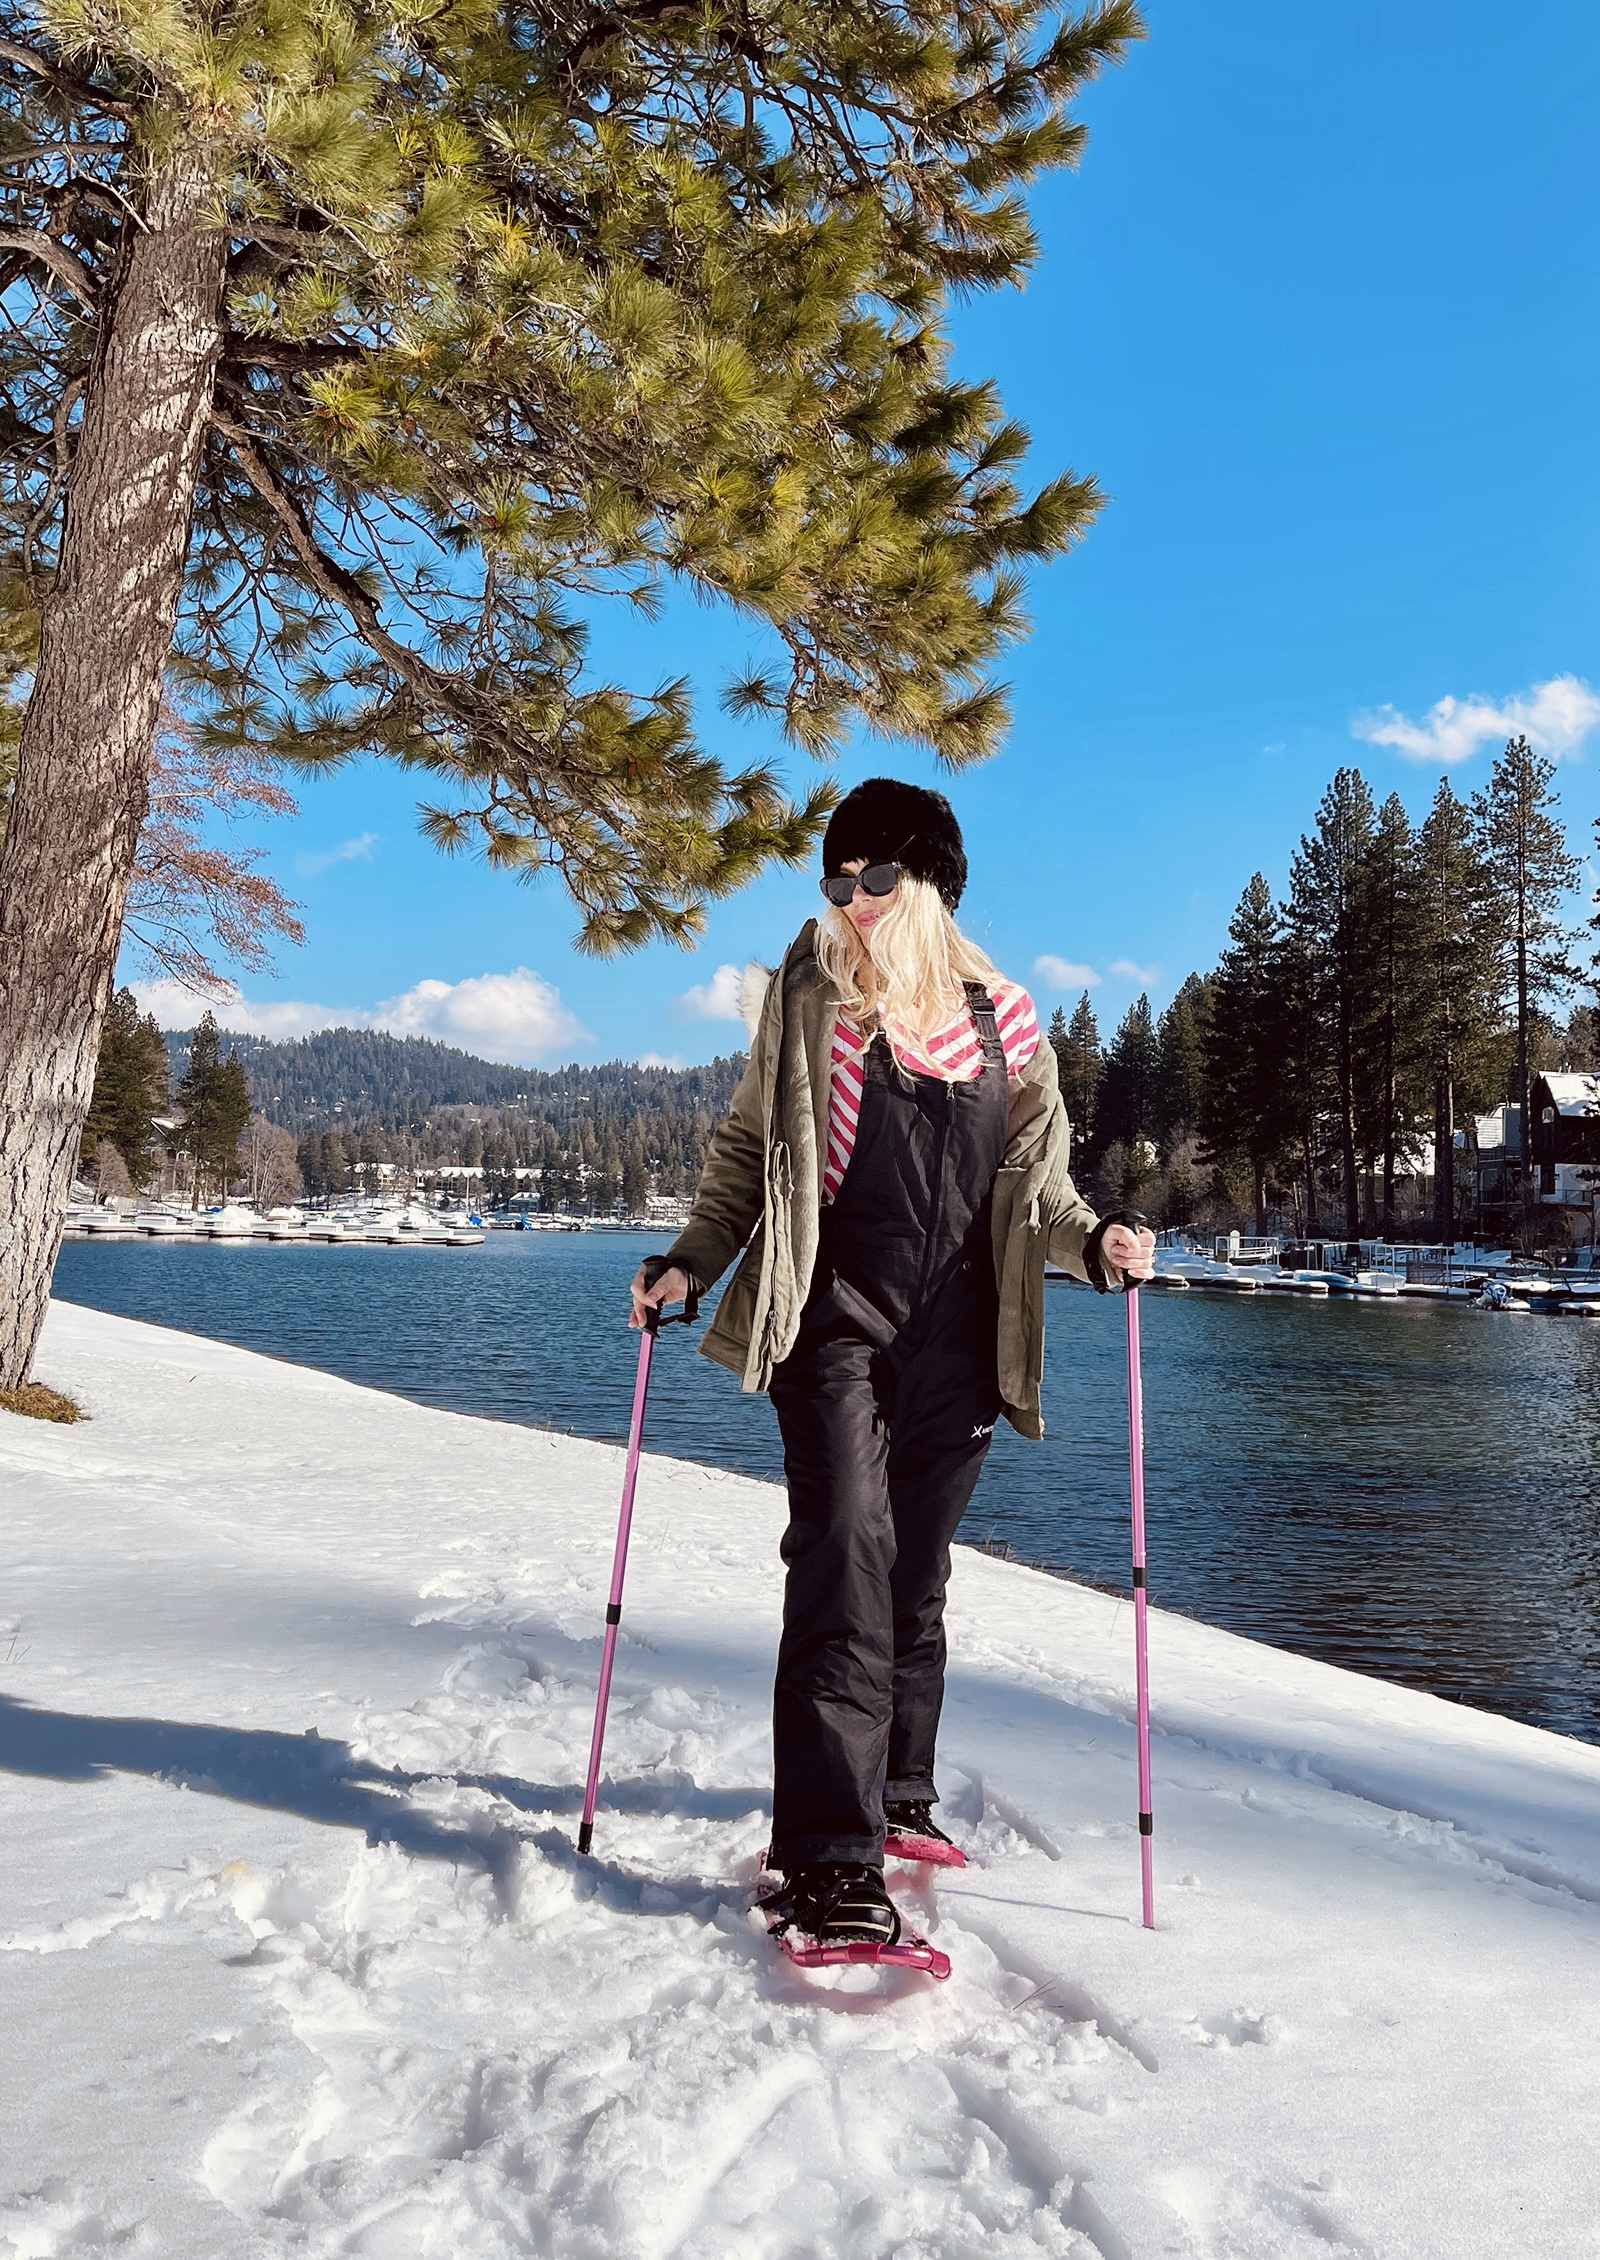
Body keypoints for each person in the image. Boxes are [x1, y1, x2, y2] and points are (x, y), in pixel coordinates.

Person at [628, 777, 1154, 1957]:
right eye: (836, 881)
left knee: (913, 1573)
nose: (852, 901)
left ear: (932, 884)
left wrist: (1100, 1244)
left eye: (875, 878)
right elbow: (745, 1151)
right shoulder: (812, 997)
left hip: (962, 1337)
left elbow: (1044, 1195)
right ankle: (825, 1859)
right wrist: (691, 1261)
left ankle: (897, 1788)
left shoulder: (1008, 1023)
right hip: (835, 1322)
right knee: (845, 1555)